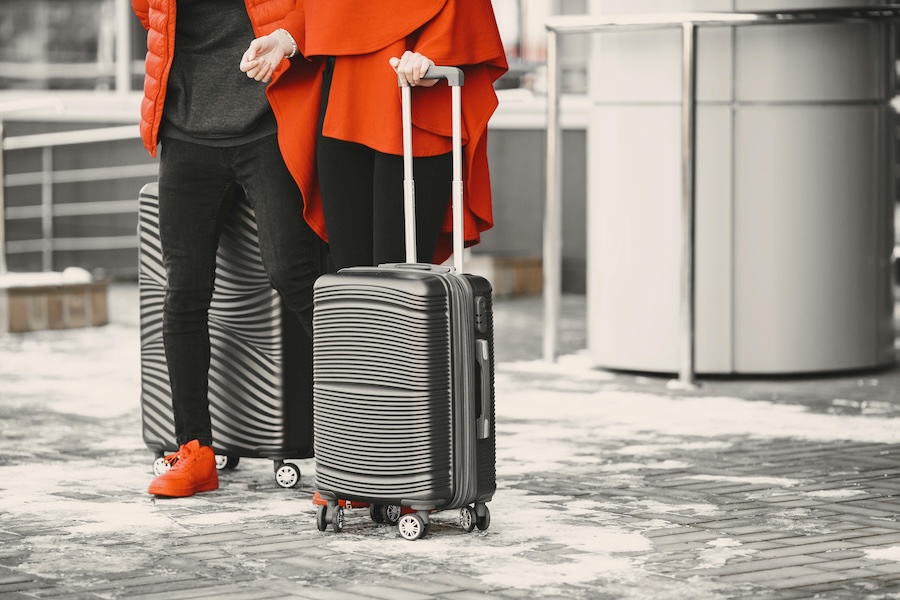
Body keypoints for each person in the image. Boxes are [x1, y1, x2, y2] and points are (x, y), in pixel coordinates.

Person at [131, 0, 321, 498]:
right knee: (184, 292)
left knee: (294, 273)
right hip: (185, 130)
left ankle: (362, 443)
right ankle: (195, 451)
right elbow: (150, 16)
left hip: (268, 124)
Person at [240, 0, 509, 269]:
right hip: (342, 103)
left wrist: (436, 52)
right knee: (351, 276)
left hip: (412, 104)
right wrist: (286, 38)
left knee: (400, 277)